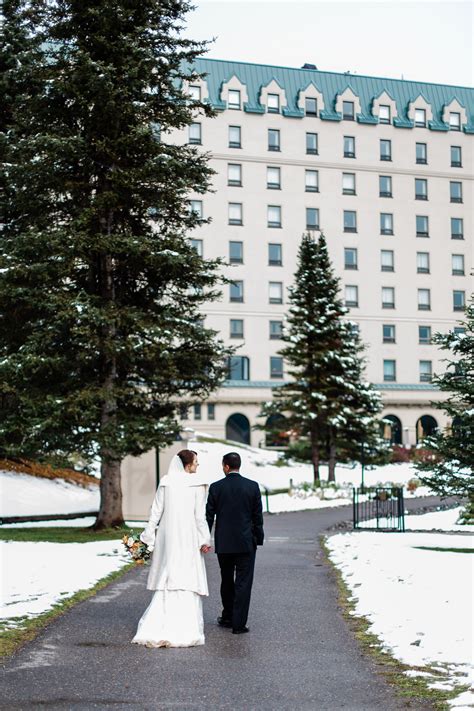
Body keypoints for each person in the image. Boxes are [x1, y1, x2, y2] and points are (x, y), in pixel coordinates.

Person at [132, 449, 211, 648]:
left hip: (168, 537)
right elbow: (199, 517)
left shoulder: (166, 482)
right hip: (188, 535)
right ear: (188, 464)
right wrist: (205, 539)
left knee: (168, 575)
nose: (197, 465)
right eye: (196, 462)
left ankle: (158, 625)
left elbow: (156, 511)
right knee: (187, 574)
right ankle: (185, 627)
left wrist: (148, 535)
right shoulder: (197, 485)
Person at [206, 451, 264, 635]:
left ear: (226, 466)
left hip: (224, 543)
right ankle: (238, 624)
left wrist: (204, 538)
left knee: (226, 580)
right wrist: (258, 538)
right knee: (243, 582)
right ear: (239, 466)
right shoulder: (252, 487)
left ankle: (228, 617)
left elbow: (208, 516)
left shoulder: (216, 487)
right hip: (246, 542)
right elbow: (257, 517)